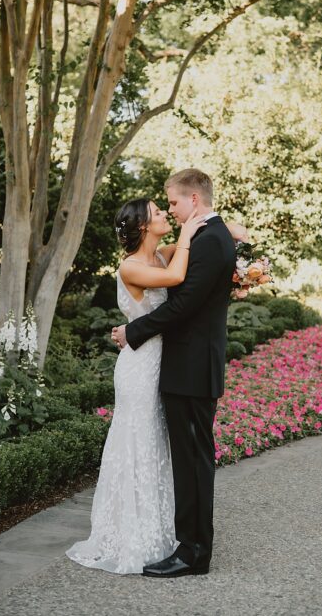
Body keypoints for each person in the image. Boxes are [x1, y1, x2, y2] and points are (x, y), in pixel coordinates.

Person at [66, 200, 206, 574]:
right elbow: (177, 279)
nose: (164, 214)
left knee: (156, 444)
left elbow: (197, 253)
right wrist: (188, 235)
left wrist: (207, 227)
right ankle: (132, 536)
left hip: (161, 360)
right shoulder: (131, 265)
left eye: (164, 209)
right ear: (143, 226)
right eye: (157, 212)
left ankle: (160, 531)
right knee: (138, 443)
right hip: (140, 365)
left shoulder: (160, 255)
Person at [110, 168, 238, 578]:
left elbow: (183, 306)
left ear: (194, 201)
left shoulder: (209, 240)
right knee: (185, 459)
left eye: (173, 202)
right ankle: (185, 542)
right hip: (181, 365)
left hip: (191, 367)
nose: (170, 209)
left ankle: (194, 552)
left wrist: (134, 330)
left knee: (193, 460)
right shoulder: (206, 237)